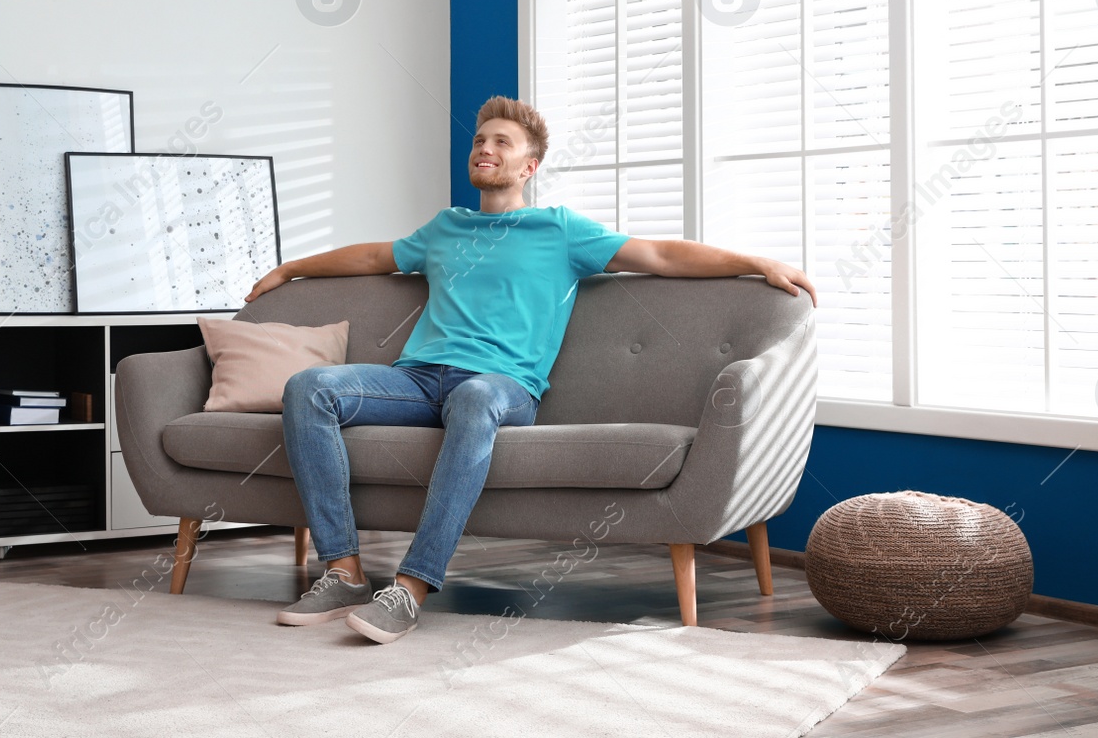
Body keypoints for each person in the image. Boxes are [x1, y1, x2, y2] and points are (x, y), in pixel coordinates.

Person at [246, 96, 816, 643]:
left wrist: (754, 262)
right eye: (478, 139)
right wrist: (288, 271)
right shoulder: (446, 228)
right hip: (417, 379)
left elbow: (661, 256)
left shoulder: (561, 231)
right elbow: (373, 256)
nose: (484, 148)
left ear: (530, 165)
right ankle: (344, 573)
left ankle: (411, 588)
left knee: (472, 399)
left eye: (501, 140)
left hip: (503, 387)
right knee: (310, 387)